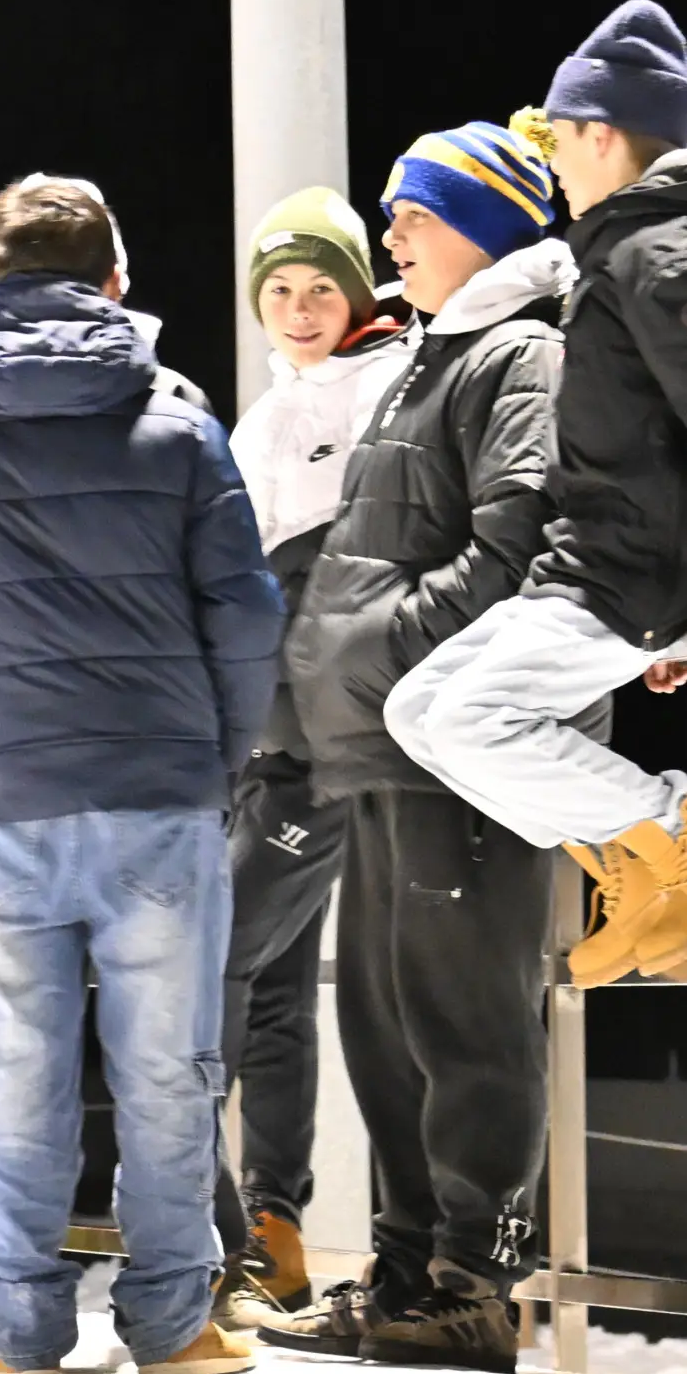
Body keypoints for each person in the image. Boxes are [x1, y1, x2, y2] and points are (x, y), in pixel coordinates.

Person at [0, 177, 284, 1374]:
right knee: (167, 1071)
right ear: (117, 285)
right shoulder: (180, 426)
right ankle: (169, 1324)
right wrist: (216, 754)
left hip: (6, 802)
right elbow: (247, 616)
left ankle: (15, 1335)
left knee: (19, 1071)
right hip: (159, 789)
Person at [387, 0, 687, 992]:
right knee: (419, 708)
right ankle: (640, 858)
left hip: (634, 568)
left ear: (602, 133)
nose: (555, 168)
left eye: (561, 140)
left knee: (466, 721)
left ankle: (681, 832)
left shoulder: (662, 251)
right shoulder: (628, 250)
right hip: (600, 562)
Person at [263, 121, 572, 1373]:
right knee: (386, 1017)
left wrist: (372, 642)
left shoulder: (521, 355)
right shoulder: (432, 357)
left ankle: (476, 1277)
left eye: (412, 215)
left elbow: (514, 541)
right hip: (390, 744)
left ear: (483, 224)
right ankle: (401, 1267)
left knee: (466, 1015)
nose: (388, 238)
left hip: (463, 741)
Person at [221, 185, 412, 1312]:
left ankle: (195, 1240)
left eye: (320, 287)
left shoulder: (389, 384)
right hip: (266, 739)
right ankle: (271, 1229)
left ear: (356, 289)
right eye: (280, 291)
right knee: (279, 990)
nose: (299, 310)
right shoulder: (264, 413)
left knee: (213, 961)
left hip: (332, 743)